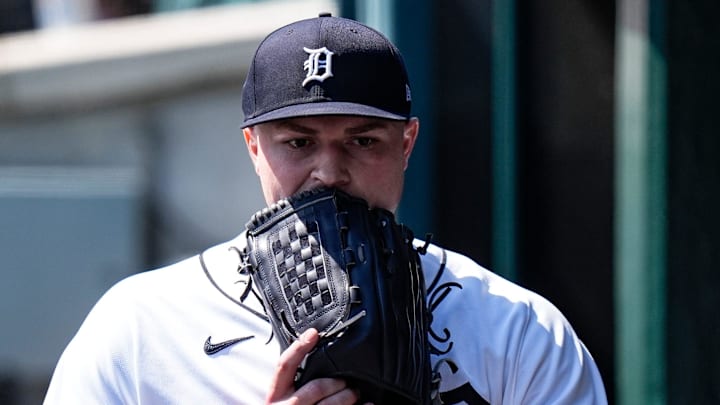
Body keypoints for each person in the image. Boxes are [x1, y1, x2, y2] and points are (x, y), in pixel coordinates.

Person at [44, 13, 608, 405]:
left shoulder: (518, 332)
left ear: (406, 144)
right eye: (298, 142)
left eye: (363, 142)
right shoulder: (142, 329)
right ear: (253, 147)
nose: (329, 172)